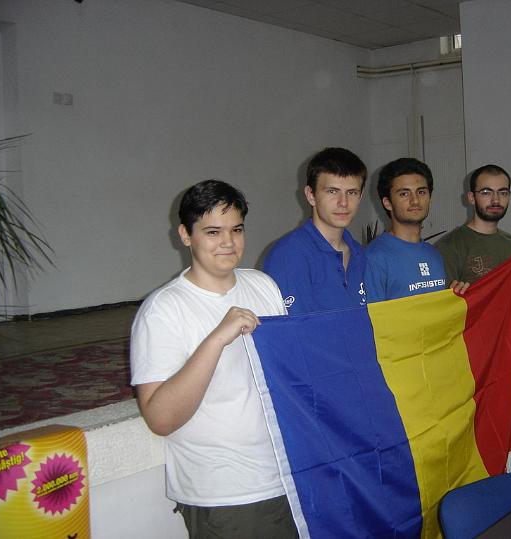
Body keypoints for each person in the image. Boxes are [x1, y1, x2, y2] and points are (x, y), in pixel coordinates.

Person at [130, 180, 298, 538]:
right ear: (185, 235)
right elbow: (160, 418)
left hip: (287, 477)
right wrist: (217, 339)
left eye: (236, 229)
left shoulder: (263, 286)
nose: (228, 242)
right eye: (212, 232)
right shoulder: (163, 310)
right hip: (226, 493)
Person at [436, 164, 511, 471]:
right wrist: (457, 299)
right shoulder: (450, 247)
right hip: (476, 376)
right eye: (486, 192)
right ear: (470, 197)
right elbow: (445, 319)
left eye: (502, 192)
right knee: (480, 463)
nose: (495, 199)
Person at [263, 147, 367, 314]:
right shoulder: (289, 255)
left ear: (360, 197)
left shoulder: (361, 255)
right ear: (311, 195)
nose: (343, 202)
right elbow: (293, 327)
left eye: (352, 192)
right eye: (332, 191)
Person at [364, 157, 467, 301]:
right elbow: (370, 314)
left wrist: (452, 298)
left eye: (421, 192)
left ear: (430, 198)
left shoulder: (434, 254)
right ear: (387, 203)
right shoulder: (374, 257)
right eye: (404, 194)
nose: (415, 200)